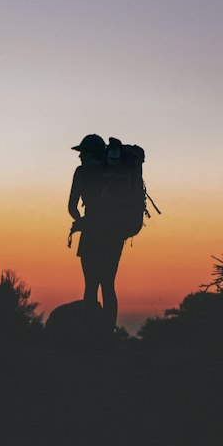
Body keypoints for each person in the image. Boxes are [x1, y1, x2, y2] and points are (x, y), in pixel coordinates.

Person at [68, 133, 125, 331]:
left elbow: (72, 207)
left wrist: (82, 221)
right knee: (108, 286)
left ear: (89, 153)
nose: (80, 156)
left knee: (91, 286)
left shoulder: (81, 172)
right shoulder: (111, 172)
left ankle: (90, 333)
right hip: (114, 236)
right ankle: (108, 333)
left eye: (82, 152)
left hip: (91, 233)